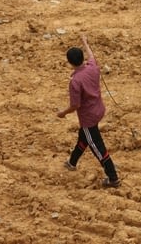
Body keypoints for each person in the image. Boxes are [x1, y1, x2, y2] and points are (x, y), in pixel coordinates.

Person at [57, 34, 121, 188]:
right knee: (84, 138)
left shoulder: (75, 81)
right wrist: (85, 42)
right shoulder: (92, 66)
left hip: (88, 118)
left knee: (98, 148)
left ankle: (113, 178)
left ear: (70, 63)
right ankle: (72, 162)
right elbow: (91, 55)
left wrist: (62, 113)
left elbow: (75, 105)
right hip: (99, 110)